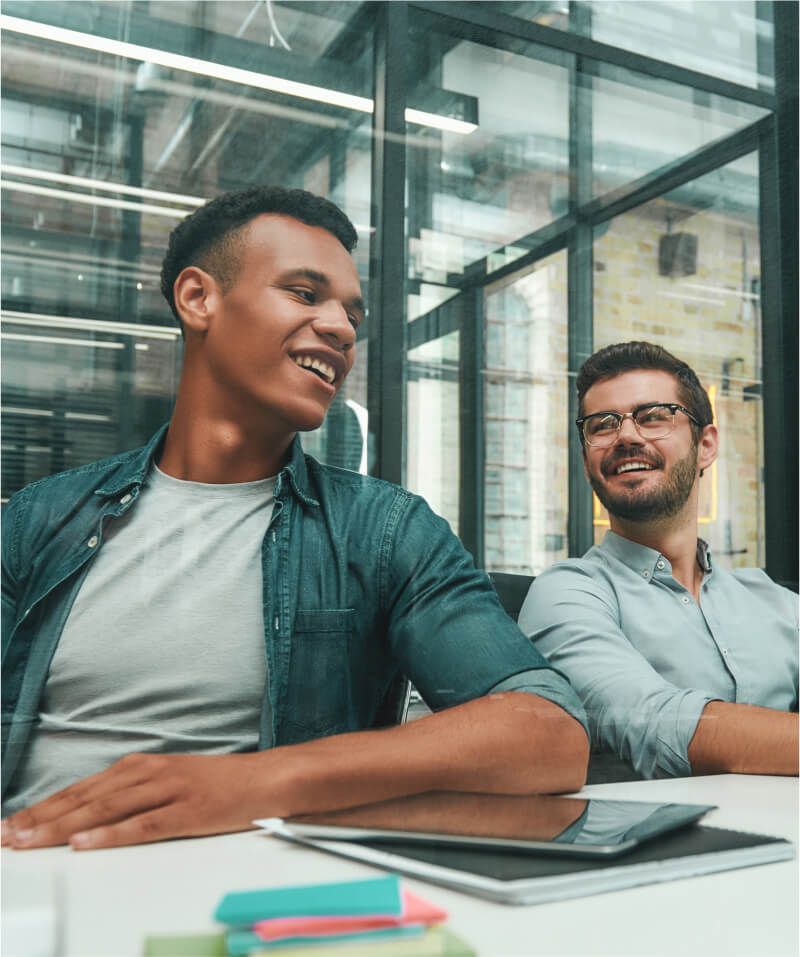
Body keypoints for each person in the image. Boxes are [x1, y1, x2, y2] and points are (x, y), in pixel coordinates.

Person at [1, 187, 589, 851]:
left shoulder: (385, 532)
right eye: (305, 294)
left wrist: (255, 783)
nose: (341, 327)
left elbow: (550, 731)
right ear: (199, 299)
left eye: (350, 314)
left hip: (252, 901)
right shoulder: (40, 517)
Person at [519, 341, 798, 780]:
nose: (627, 436)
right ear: (587, 458)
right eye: (602, 425)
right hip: (673, 844)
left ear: (705, 446)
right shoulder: (568, 595)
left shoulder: (773, 600)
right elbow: (656, 724)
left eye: (653, 416)